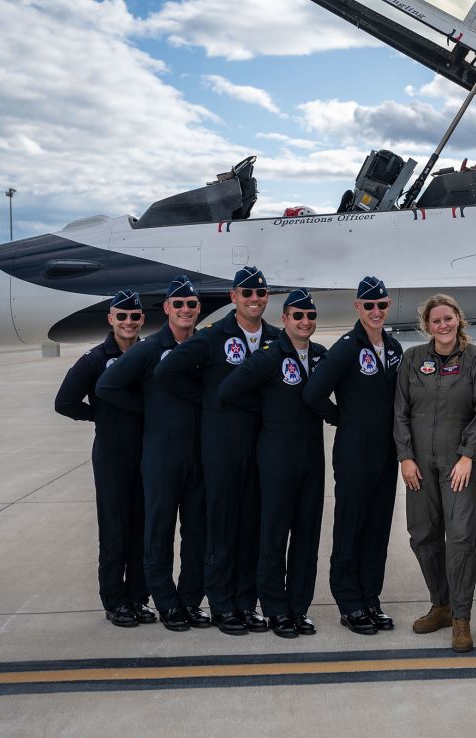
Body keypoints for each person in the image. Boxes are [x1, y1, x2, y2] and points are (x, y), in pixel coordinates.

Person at [154, 267, 279, 636]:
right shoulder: (212, 337)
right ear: (233, 298)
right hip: (222, 446)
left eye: (260, 294)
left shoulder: (274, 338)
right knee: (221, 526)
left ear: (267, 298)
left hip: (261, 447)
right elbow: (168, 372)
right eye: (247, 294)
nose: (253, 300)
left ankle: (245, 601)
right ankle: (222, 604)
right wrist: (209, 401)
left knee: (251, 526)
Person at [96, 275, 210, 633]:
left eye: (191, 304)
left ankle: (190, 600)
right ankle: (165, 602)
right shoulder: (149, 349)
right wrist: (147, 408)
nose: (185, 310)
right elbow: (107, 386)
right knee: (158, 532)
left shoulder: (205, 346)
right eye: (178, 304)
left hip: (200, 455)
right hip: (161, 456)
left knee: (198, 534)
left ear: (198, 309)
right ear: (167, 309)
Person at [219, 290, 328, 639]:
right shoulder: (270, 356)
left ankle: (298, 608)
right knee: (274, 535)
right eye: (298, 316)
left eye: (310, 315)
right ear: (285, 320)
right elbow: (229, 390)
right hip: (277, 455)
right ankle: (275, 610)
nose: (305, 321)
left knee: (307, 535)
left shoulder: (321, 356)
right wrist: (266, 413)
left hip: (312, 456)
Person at [394, 294, 476, 653]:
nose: (443, 325)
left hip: (457, 465)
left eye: (448, 319)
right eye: (436, 321)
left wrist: (468, 455)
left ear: (458, 319)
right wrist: (405, 457)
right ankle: (441, 604)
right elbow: (401, 411)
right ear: (427, 326)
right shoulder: (413, 359)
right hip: (418, 464)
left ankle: (461, 619)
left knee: (460, 539)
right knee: (422, 535)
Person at [304, 276, 404, 635]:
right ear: (358, 307)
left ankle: (370, 598)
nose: (376, 311)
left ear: (387, 306)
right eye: (369, 305)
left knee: (377, 529)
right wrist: (340, 418)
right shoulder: (347, 347)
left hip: (386, 453)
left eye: (382, 305)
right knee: (351, 527)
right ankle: (349, 603)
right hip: (354, 454)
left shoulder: (393, 347)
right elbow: (313, 393)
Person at [54, 289, 154, 628]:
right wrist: (100, 415)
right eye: (121, 316)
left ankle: (139, 598)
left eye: (134, 316)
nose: (128, 322)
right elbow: (64, 402)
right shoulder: (95, 359)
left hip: (147, 455)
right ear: (111, 319)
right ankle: (114, 601)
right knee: (116, 529)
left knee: (144, 528)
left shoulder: (149, 354)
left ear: (142, 320)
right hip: (112, 456)